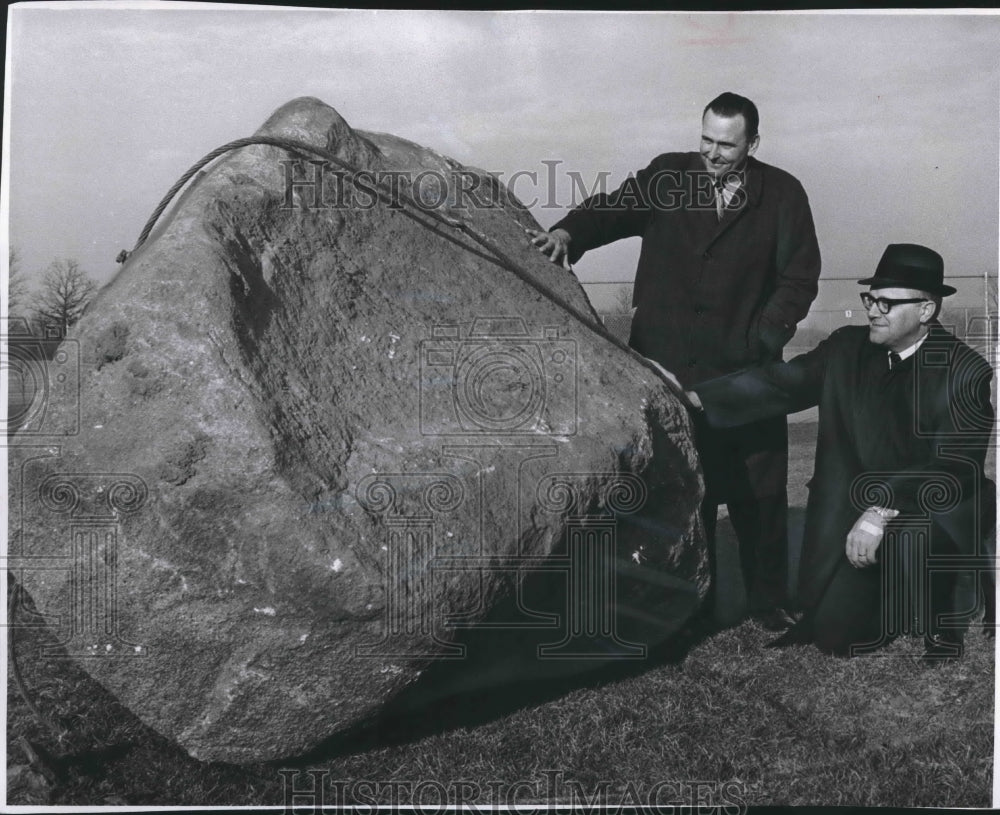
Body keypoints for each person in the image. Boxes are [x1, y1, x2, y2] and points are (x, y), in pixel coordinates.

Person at [528, 92, 821, 630]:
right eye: (706, 139)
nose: (712, 152)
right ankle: (691, 605)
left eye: (726, 145)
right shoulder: (669, 175)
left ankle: (768, 602)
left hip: (746, 374)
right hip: (665, 370)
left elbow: (799, 278)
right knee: (684, 488)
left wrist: (760, 339)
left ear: (753, 144)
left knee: (759, 492)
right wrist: (568, 233)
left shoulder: (783, 194)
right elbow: (612, 209)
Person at [688, 244, 995, 662]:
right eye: (870, 299)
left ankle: (941, 616)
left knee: (916, 539)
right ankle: (888, 594)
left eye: (887, 303)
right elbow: (782, 382)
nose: (873, 311)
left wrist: (881, 510)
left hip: (927, 508)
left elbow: (955, 466)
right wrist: (698, 398)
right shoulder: (847, 348)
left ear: (926, 310)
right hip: (858, 512)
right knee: (836, 636)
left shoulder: (965, 371)